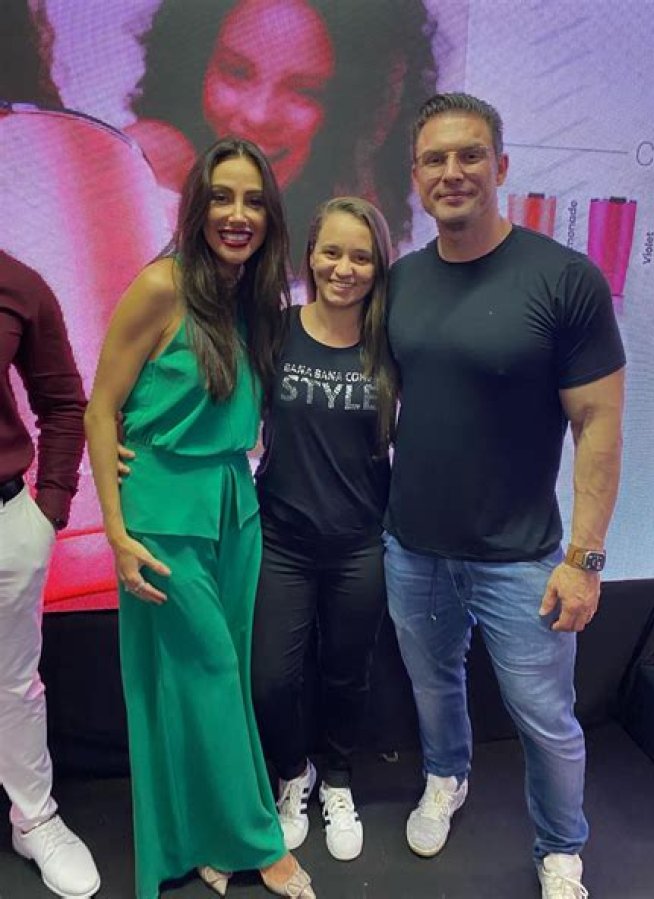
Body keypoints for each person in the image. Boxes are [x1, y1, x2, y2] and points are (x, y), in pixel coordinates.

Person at [383, 93, 625, 899]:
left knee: (546, 720)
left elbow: (598, 423)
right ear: (416, 174)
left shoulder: (565, 278)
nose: (452, 172)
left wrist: (584, 559)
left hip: (523, 557)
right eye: (435, 159)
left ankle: (561, 849)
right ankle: (445, 776)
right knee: (433, 686)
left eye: (470, 154)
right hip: (413, 545)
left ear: (501, 165)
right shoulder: (402, 281)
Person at [84, 137, 314, 899]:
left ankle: (201, 836)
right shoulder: (162, 284)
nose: (237, 214)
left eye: (253, 200)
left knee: (206, 680)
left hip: (232, 505)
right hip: (163, 511)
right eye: (222, 197)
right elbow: (101, 409)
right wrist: (117, 533)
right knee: (209, 672)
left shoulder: (254, 299)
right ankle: (257, 841)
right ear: (197, 207)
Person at [251, 197, 397, 861]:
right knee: (271, 680)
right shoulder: (275, 331)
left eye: (360, 256)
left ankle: (337, 778)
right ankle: (294, 774)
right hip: (281, 540)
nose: (344, 267)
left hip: (360, 542)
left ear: (379, 265)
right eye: (331, 251)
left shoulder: (389, 346)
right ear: (309, 255)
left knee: (347, 674)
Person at [128, 0, 436, 259]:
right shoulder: (154, 161)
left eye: (304, 92)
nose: (259, 114)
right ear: (195, 66)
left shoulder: (335, 207)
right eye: (236, 72)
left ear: (349, 111)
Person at [0, 250, 100, 898]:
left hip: (5, 522)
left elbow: (64, 403)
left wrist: (51, 509)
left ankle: (34, 818)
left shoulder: (18, 284)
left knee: (13, 683)